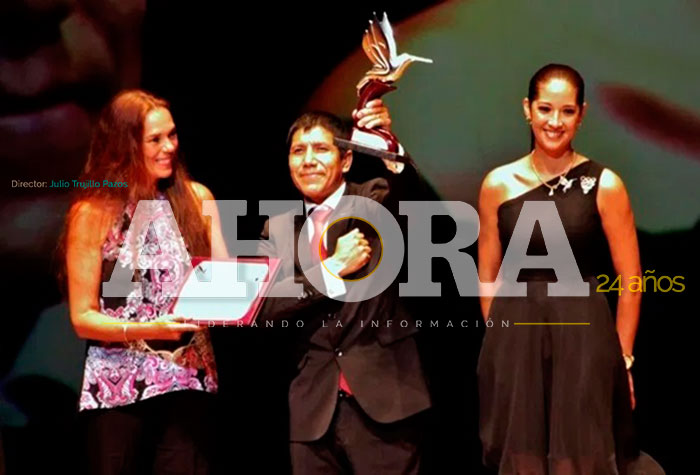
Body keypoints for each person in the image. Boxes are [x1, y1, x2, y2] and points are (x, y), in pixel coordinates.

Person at [477, 64, 663, 474]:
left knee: (577, 458)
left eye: (567, 111)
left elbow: (631, 283)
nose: (554, 122)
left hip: (584, 339)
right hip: (516, 341)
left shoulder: (605, 184)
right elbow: (487, 275)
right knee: (522, 457)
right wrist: (501, 341)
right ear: (527, 109)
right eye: (545, 108)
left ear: (582, 114)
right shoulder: (497, 184)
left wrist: (623, 360)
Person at [257, 101, 431, 474]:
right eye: (298, 151)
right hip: (312, 409)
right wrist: (331, 269)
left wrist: (387, 144)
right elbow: (265, 306)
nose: (308, 161)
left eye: (321, 149)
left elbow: (411, 195)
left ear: (346, 160)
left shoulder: (373, 198)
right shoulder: (278, 229)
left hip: (385, 400)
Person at [61, 89, 227, 474]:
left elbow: (225, 283)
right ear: (125, 145)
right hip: (117, 389)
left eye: (172, 135)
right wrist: (150, 329)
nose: (169, 147)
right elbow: (83, 318)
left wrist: (241, 290)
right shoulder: (93, 213)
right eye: (155, 139)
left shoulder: (197, 198)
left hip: (188, 381)